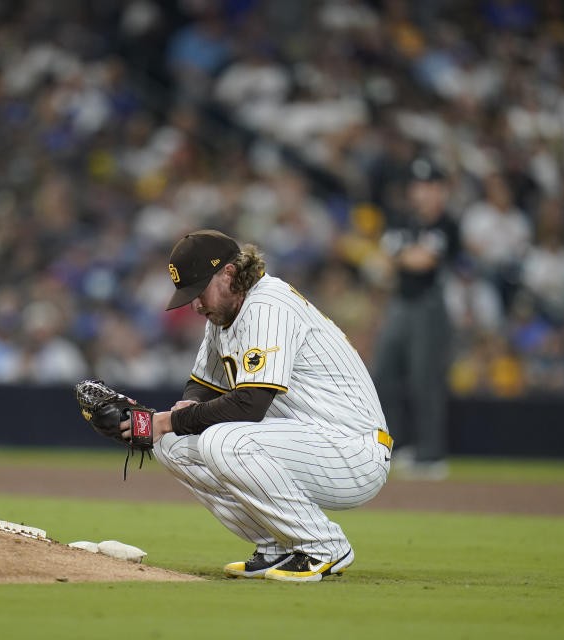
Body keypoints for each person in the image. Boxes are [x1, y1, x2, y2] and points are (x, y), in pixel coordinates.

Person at [122, 229, 392, 582]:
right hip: (303, 441)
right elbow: (202, 385)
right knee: (171, 444)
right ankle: (277, 544)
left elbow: (249, 406)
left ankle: (324, 546)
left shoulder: (268, 306)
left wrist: (169, 420)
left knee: (224, 441)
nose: (196, 305)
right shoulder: (224, 313)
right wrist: (172, 415)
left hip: (352, 451)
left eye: (199, 291)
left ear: (229, 274)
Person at [372, 158, 460, 479]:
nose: (421, 193)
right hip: (399, 304)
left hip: (429, 306)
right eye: (417, 186)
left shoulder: (447, 223)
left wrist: (399, 255)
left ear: (440, 191)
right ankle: (401, 444)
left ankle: (432, 455)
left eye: (428, 186)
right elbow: (383, 260)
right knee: (383, 375)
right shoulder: (402, 220)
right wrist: (401, 255)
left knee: (425, 380)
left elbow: (423, 262)